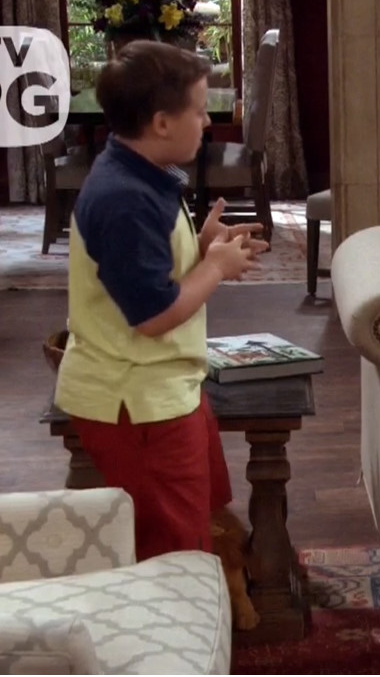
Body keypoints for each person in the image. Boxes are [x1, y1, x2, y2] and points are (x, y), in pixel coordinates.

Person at [54, 40, 268, 561]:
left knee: (202, 524)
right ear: (162, 123)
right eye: (199, 110)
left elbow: (147, 275)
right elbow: (152, 315)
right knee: (173, 553)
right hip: (138, 403)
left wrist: (201, 249)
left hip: (164, 389)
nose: (207, 122)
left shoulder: (140, 174)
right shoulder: (125, 199)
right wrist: (215, 268)